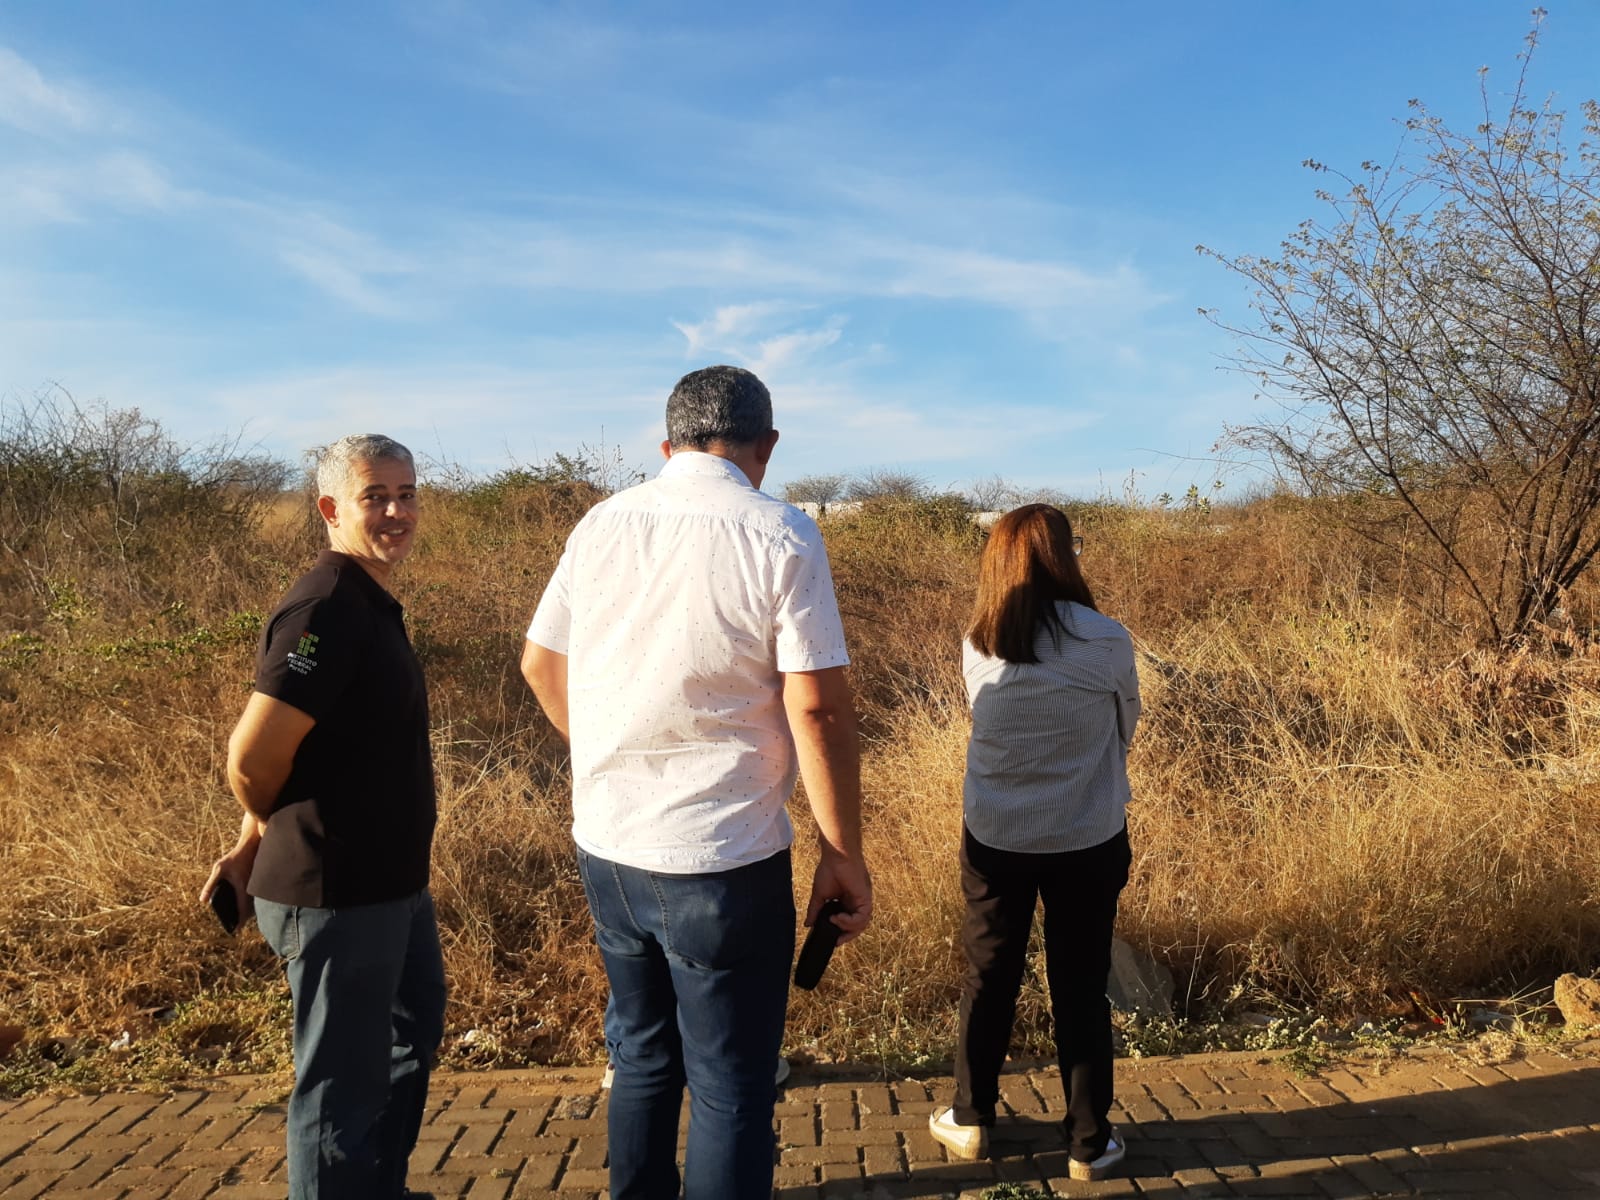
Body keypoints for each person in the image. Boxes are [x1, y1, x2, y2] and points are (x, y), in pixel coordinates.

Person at [521, 365, 872, 1200]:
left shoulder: (600, 525)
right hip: (723, 858)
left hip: (607, 846)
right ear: (768, 446)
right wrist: (842, 851)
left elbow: (540, 664)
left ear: (666, 442)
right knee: (729, 1083)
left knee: (640, 1056)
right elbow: (817, 710)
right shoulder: (782, 532)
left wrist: (608, 752)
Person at [200, 434, 445, 1200]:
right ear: (332, 508)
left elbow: (303, 756)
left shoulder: (369, 599)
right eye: (377, 497)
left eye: (406, 494)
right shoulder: (328, 607)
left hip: (394, 885)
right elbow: (252, 758)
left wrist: (247, 841)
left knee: (411, 1041)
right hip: (335, 892)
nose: (397, 511)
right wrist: (262, 832)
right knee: (339, 1086)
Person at [927, 504, 1140, 1182]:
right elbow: (1124, 725)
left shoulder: (978, 641)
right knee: (1080, 985)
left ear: (996, 564)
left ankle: (970, 1119)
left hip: (996, 836)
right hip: (1087, 833)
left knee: (988, 975)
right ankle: (1089, 1145)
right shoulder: (1106, 639)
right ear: (1066, 556)